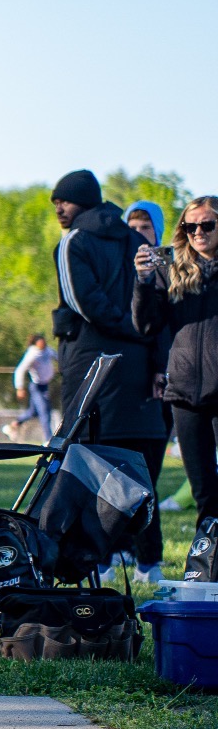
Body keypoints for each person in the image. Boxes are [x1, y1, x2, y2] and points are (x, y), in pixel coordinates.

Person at [50, 169, 167, 581]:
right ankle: (148, 560)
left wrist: (126, 327)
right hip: (139, 368)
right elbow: (155, 307)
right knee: (140, 467)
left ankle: (94, 559)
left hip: (94, 370)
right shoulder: (135, 240)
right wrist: (150, 352)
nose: (58, 208)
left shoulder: (73, 242)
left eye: (61, 201)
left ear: (79, 200)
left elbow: (85, 303)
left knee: (87, 463)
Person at [136, 196, 218, 536]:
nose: (198, 231)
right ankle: (209, 569)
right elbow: (146, 326)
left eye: (208, 224)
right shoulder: (174, 272)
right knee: (204, 495)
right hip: (185, 395)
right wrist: (143, 281)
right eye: (190, 225)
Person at [3, 334, 57, 442]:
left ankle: (14, 424)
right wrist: (19, 387)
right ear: (36, 343)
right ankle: (49, 440)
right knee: (44, 412)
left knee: (33, 412)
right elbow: (20, 370)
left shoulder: (48, 350)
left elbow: (58, 357)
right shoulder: (32, 353)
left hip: (45, 385)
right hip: (36, 387)